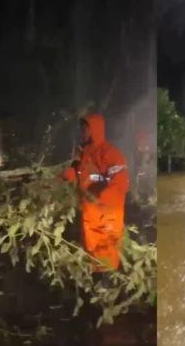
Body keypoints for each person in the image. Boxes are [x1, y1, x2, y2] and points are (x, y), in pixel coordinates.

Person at [60, 114, 129, 272]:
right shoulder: (83, 153)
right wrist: (68, 174)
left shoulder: (110, 153)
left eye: (86, 129)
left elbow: (120, 181)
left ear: (95, 130)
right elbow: (79, 171)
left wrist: (101, 199)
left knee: (107, 254)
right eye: (82, 129)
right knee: (91, 252)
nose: (82, 132)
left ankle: (110, 285)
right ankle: (95, 281)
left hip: (106, 214)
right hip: (89, 213)